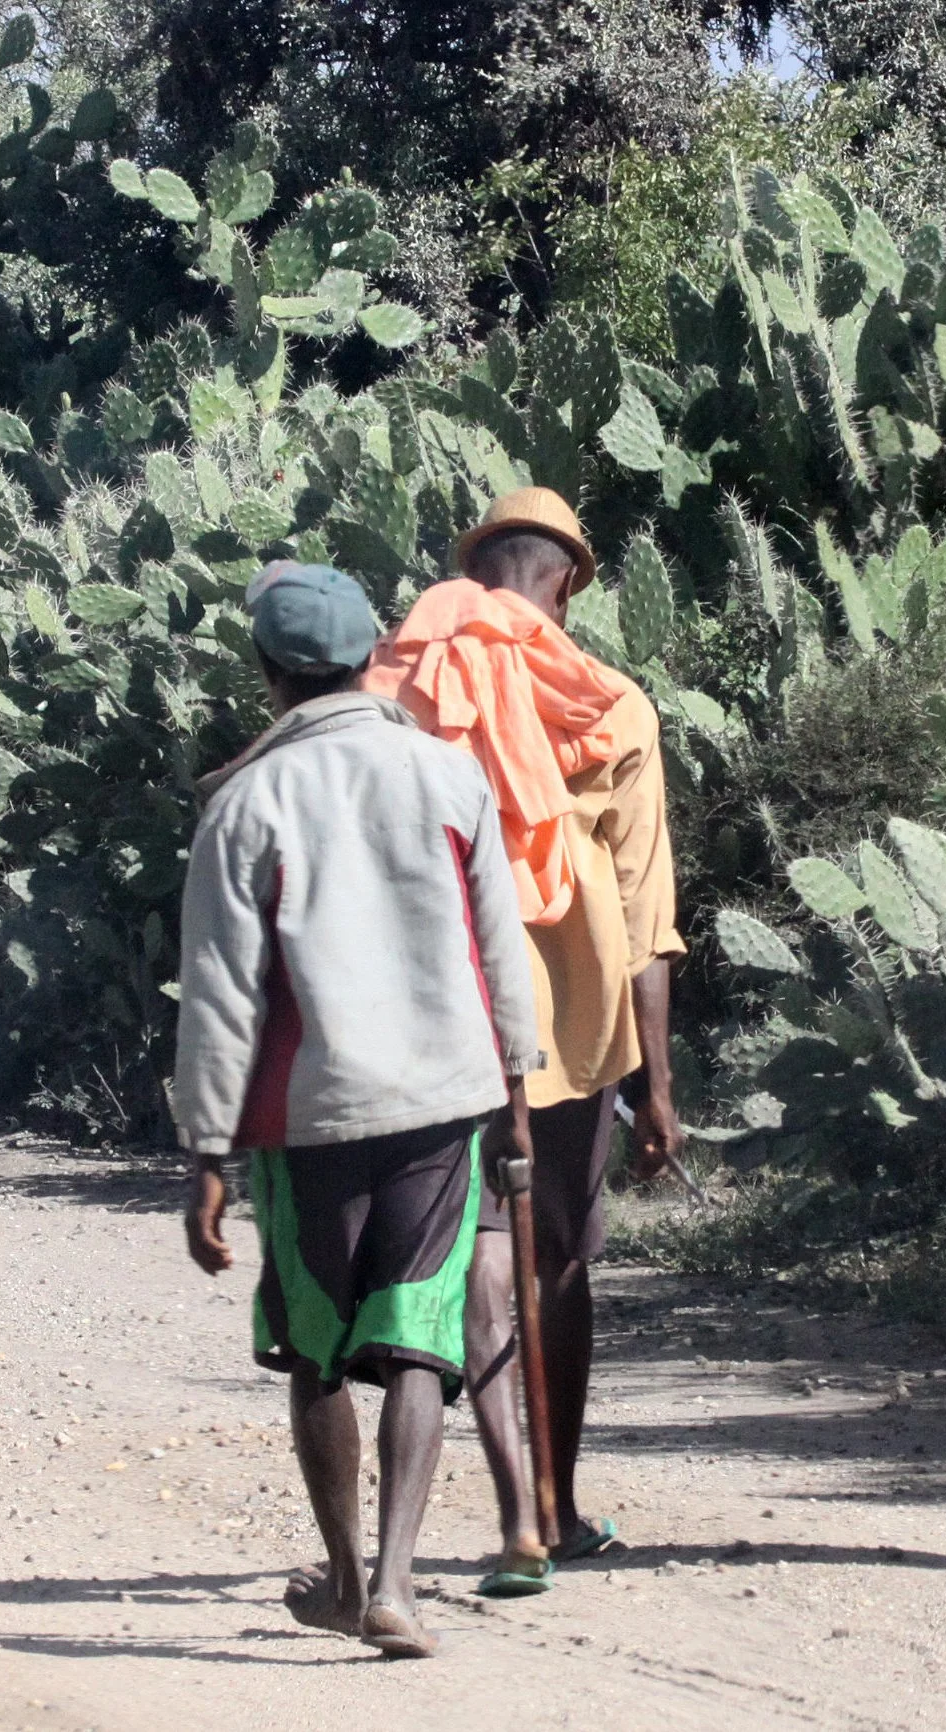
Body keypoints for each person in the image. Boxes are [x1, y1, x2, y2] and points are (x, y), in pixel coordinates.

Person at [174, 562, 544, 1657]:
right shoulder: (448, 776)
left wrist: (206, 1151)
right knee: (421, 1344)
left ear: (267, 672)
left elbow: (221, 993)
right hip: (443, 1101)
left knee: (317, 1350)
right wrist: (515, 1096)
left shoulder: (244, 802)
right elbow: (498, 954)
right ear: (372, 651)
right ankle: (397, 1583)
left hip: (310, 1114)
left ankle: (341, 1579)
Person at [362, 487, 686, 1596]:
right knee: (555, 1252)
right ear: (568, 581)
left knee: (477, 1249)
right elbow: (647, 918)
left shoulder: (401, 682)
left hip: (429, 1011)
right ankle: (552, 1501)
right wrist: (657, 1086)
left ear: (480, 566)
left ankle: (517, 1520)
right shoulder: (610, 704)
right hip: (576, 1028)